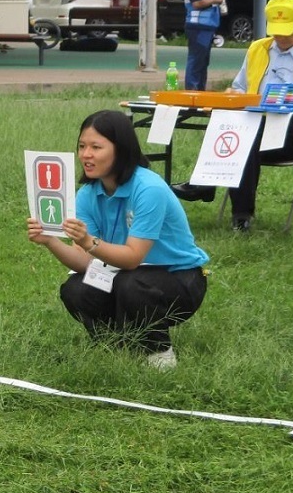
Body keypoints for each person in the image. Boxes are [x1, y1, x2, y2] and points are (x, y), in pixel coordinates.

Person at [26, 110, 208, 370]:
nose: (86, 154)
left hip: (181, 277)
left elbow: (133, 258)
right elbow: (84, 263)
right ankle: (118, 345)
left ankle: (159, 353)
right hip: (125, 275)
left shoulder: (149, 188)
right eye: (82, 146)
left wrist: (90, 243)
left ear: (120, 150)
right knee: (75, 288)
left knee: (129, 283)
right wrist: (50, 241)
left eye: (96, 147)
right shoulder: (88, 194)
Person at [176, 0, 293, 230]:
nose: (279, 37)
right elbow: (239, 87)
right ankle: (241, 217)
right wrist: (232, 93)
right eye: (275, 30)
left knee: (246, 136)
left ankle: (205, 183)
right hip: (254, 128)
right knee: (244, 137)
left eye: (286, 31)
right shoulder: (257, 49)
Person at [183, 0, 225, 91]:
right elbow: (197, 3)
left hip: (205, 27)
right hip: (198, 26)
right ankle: (192, 90)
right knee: (196, 61)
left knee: (202, 62)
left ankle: (199, 90)